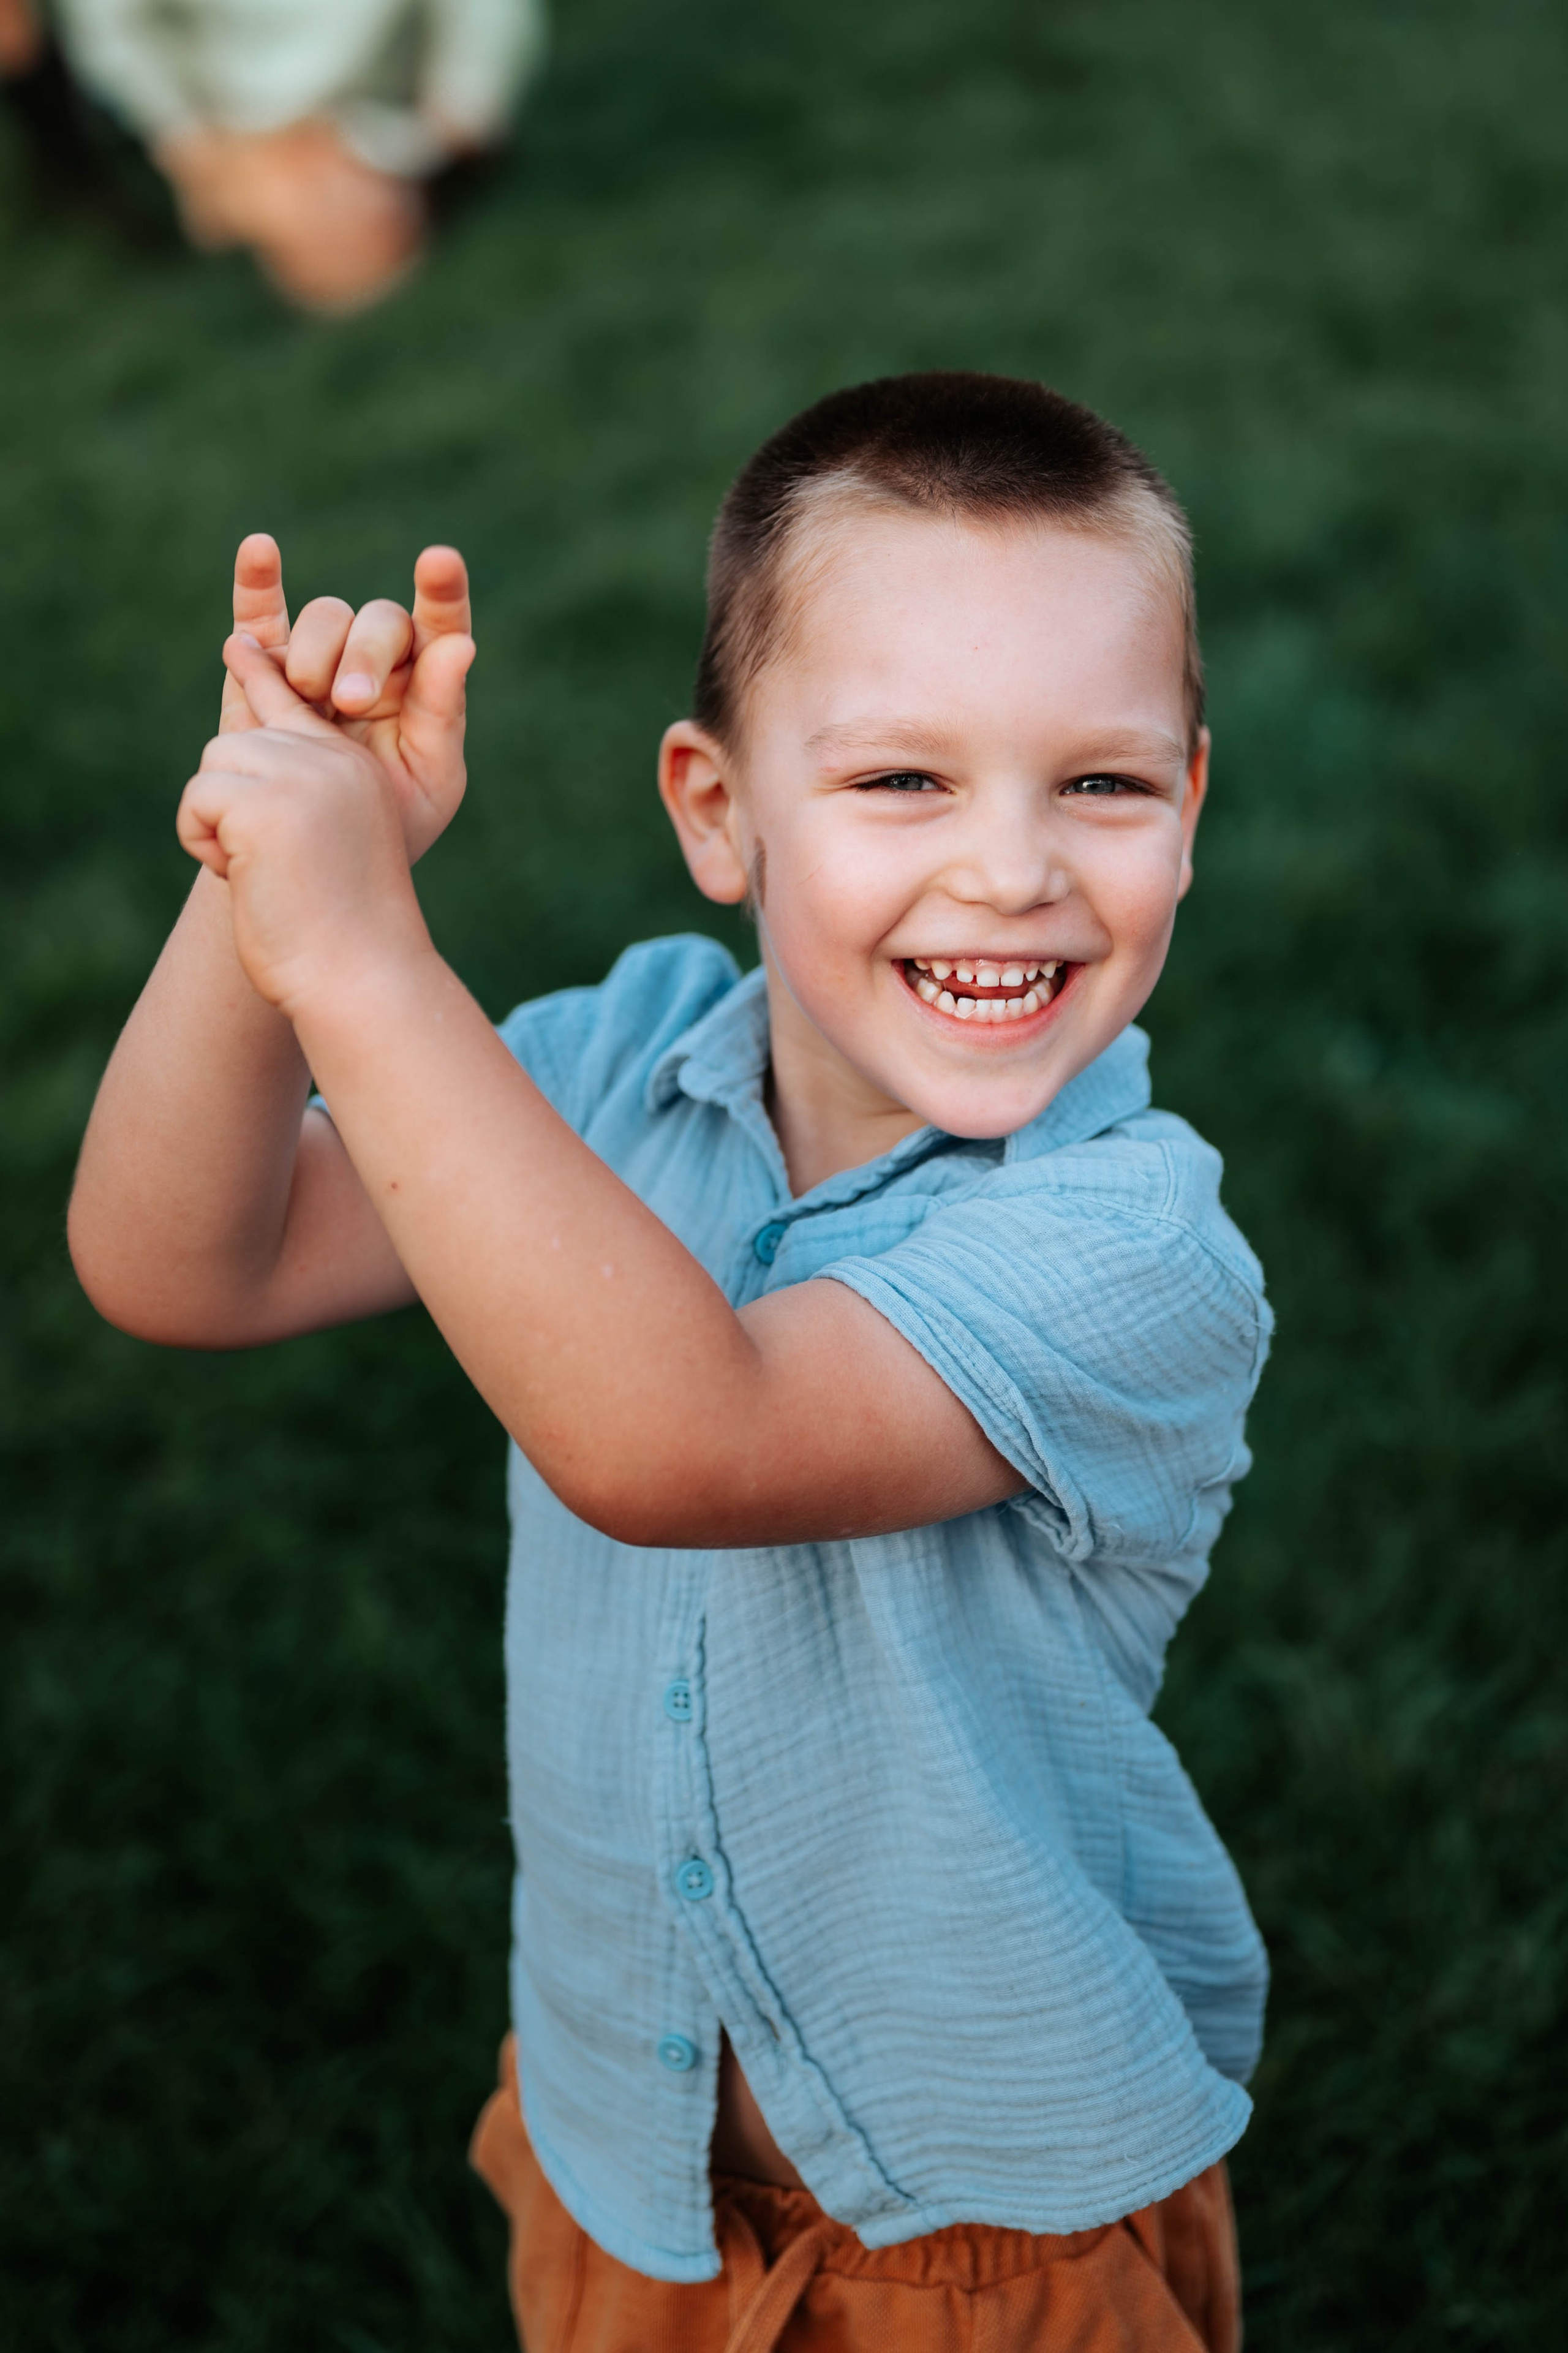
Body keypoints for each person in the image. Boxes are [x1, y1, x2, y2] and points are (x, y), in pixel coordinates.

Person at [69, 371, 1272, 2351]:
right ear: (720, 812)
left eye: (1103, 783)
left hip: (983, 2216)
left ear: (1190, 810)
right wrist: (268, 894)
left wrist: (372, 956)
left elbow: (677, 1441)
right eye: (903, 781)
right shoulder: (612, 1067)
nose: (1013, 868)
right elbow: (186, 1260)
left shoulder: (1132, 1242)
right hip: (625, 2126)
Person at [51, 0, 545, 309]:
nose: (341, 206)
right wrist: (464, 106)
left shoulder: (195, 108)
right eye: (374, 217)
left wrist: (186, 142)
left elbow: (110, 31)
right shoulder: (421, 102)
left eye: (319, 236)